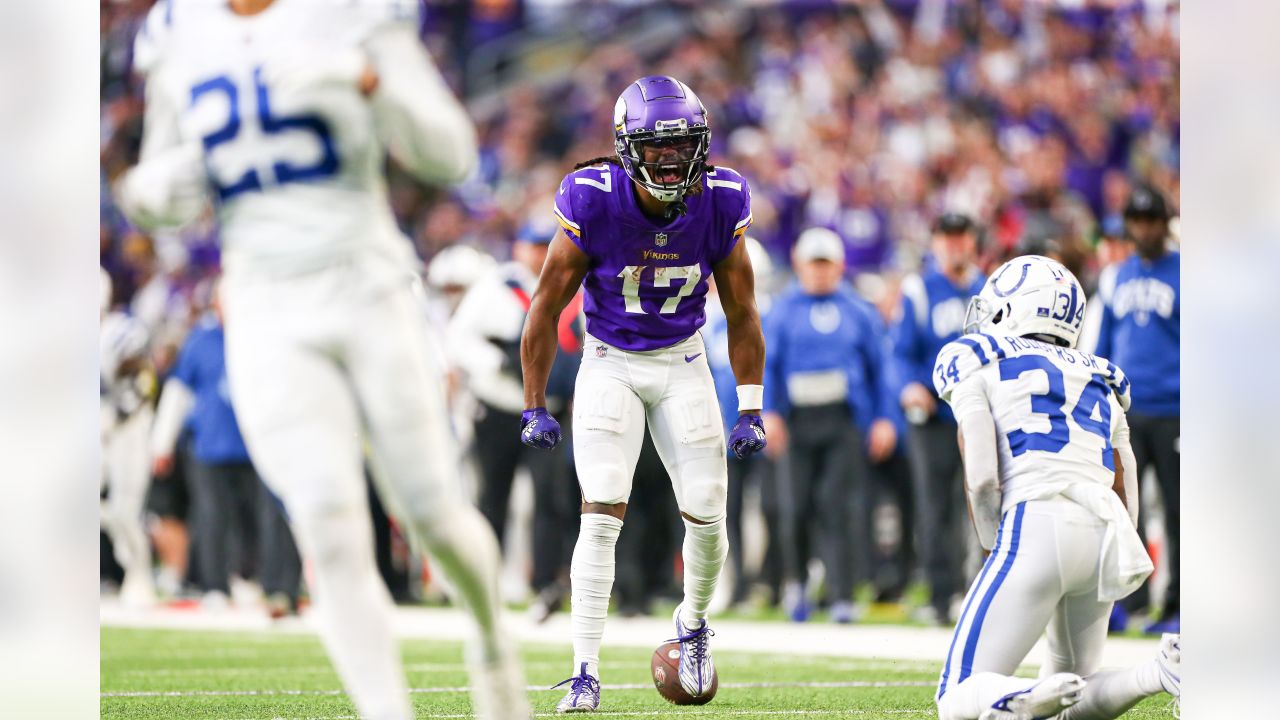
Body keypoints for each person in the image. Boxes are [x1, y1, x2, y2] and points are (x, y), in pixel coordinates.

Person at [114, 1, 527, 718]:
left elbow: (452, 152)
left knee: (432, 512)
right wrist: (151, 194)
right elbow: (162, 180)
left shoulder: (350, 12)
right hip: (266, 303)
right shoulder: (179, 28)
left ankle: (492, 641)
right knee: (326, 519)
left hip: (367, 282)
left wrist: (369, 79)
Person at [519, 75, 767, 711]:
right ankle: (584, 670)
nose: (670, 159)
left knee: (710, 507)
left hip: (684, 360)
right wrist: (534, 404)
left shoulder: (722, 198)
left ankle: (693, 623)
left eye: (682, 146)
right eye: (657, 148)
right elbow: (546, 307)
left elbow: (742, 311)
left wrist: (751, 405)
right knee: (601, 506)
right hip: (610, 362)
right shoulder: (591, 197)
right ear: (628, 148)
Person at [931, 254, 1179, 720]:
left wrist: (991, 540)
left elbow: (983, 473)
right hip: (1104, 526)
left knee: (955, 699)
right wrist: (1120, 552)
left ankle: (1020, 698)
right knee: (1074, 692)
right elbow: (1125, 476)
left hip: (1035, 521)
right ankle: (1160, 672)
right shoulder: (1102, 375)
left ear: (1013, 309)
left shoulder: (975, 359)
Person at [762, 228, 899, 624]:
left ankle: (841, 593)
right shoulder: (783, 310)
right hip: (797, 419)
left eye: (826, 264)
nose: (820, 273)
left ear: (839, 266)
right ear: (800, 265)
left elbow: (880, 369)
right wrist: (768, 412)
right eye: (813, 264)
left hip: (842, 419)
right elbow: (767, 363)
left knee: (838, 506)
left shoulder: (858, 310)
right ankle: (798, 583)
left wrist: (883, 420)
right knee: (797, 506)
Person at [447, 219, 581, 619]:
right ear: (519, 248)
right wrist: (497, 361)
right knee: (493, 498)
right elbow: (460, 336)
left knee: (550, 498)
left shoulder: (574, 281)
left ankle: (544, 585)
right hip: (501, 406)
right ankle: (484, 582)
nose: (540, 253)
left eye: (546, 244)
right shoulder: (497, 285)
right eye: (534, 245)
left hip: (551, 408)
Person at [151, 282, 302, 617]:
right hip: (212, 445)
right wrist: (161, 443)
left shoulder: (267, 337)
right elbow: (178, 392)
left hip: (260, 445)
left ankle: (279, 588)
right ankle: (214, 586)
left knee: (273, 519)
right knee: (212, 518)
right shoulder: (202, 340)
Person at [1091, 185, 1180, 634]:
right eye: (1136, 220)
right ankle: (1131, 597)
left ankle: (1179, 603)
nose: (1143, 228)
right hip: (1125, 414)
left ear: (1165, 223)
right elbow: (1102, 347)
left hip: (1176, 409)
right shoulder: (1115, 276)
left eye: (1150, 220)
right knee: (1122, 506)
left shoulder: (1186, 270)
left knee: (1182, 507)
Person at [891, 212, 987, 624]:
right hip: (933, 414)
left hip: (979, 413)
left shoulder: (990, 289)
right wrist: (909, 386)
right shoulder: (920, 288)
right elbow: (899, 351)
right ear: (935, 243)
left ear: (971, 241)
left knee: (982, 502)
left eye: (960, 236)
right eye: (946, 237)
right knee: (934, 507)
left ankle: (979, 590)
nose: (954, 245)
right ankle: (939, 593)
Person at [100, 269, 157, 609]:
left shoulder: (121, 332)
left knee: (126, 510)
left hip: (129, 428)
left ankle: (139, 574)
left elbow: (143, 382)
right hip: (98, 425)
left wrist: (116, 417)